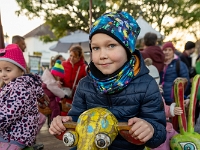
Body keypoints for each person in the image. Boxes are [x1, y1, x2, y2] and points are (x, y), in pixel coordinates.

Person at [49, 11, 166, 150]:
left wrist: (150, 129)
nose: (102, 55)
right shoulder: (85, 84)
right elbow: (75, 119)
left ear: (128, 47)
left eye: (111, 45)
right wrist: (63, 123)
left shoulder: (147, 85)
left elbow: (159, 131)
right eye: (96, 48)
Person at [0, 44, 44, 150]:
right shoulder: (12, 85)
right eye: (0, 71)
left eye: (8, 70)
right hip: (10, 135)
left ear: (21, 70)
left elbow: (7, 114)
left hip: (14, 137)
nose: (3, 74)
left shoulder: (21, 88)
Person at [145, 58, 183, 150]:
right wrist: (171, 110)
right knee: (162, 146)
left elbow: (163, 107)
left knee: (179, 139)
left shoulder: (156, 93)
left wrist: (171, 109)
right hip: (155, 128)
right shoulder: (148, 96)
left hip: (165, 126)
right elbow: (159, 110)